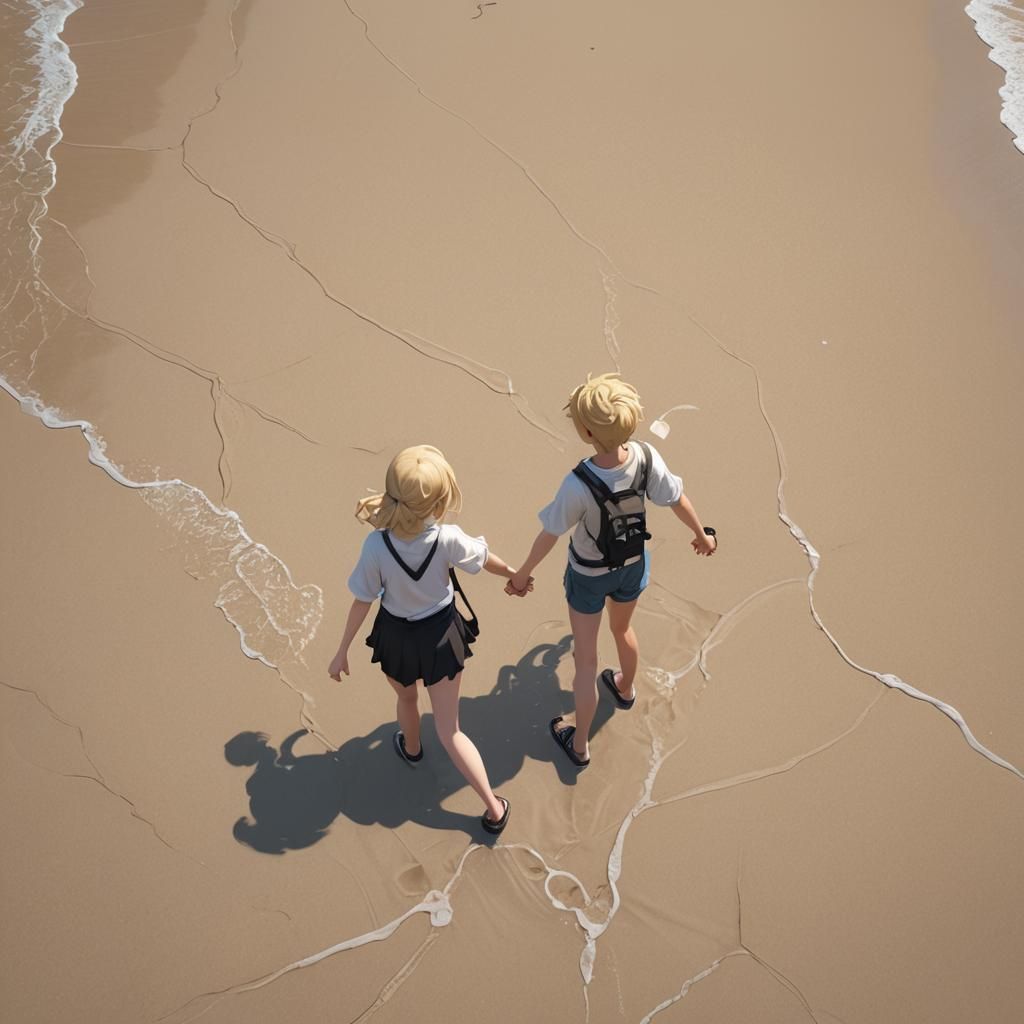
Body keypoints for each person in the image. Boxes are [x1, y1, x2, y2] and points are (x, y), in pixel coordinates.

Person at [506, 374, 716, 768]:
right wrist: (701, 534)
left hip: (588, 575)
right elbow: (676, 498)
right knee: (622, 630)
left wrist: (522, 574)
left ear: (586, 432)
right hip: (632, 566)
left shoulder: (578, 483)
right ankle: (624, 686)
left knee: (585, 661)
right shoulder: (647, 458)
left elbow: (550, 534)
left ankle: (580, 744)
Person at [328, 444, 527, 834]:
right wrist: (515, 576)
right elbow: (484, 559)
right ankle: (493, 807)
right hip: (441, 637)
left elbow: (362, 602)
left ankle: (413, 749)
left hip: (397, 639)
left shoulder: (376, 547)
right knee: (450, 730)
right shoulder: (448, 538)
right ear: (439, 502)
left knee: (406, 698)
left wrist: (342, 651)